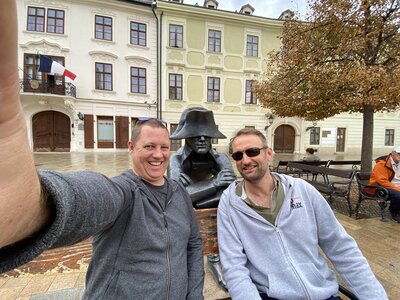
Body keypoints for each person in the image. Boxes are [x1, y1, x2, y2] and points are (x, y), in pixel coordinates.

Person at [0, 2, 204, 298]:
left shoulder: (179, 193)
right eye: (149, 146)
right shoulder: (123, 192)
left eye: (164, 146)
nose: (158, 154)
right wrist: (36, 205)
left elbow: (194, 244)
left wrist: (194, 294)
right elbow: (94, 196)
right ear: (131, 147)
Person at [217, 127, 387, 299]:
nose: (245, 160)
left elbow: (341, 247)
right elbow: (234, 267)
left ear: (269, 153)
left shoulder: (301, 190)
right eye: (238, 155)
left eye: (252, 152)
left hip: (323, 293)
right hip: (273, 295)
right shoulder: (231, 203)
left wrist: (375, 296)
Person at [168, 107, 236, 209]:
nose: (202, 139)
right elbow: (176, 197)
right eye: (196, 136)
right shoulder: (176, 159)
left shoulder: (221, 158)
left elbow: (230, 193)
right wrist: (215, 183)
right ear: (187, 137)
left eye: (207, 135)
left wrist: (193, 194)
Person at [369, 147, 400, 223]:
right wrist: (398, 189)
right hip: (381, 187)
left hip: (395, 186)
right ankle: (394, 211)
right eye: (399, 153)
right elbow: (383, 182)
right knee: (398, 195)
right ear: (393, 153)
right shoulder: (381, 164)